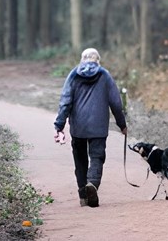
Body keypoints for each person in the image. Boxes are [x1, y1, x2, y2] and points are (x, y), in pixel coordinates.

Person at [53, 48, 127, 208]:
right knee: (97, 157)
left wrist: (59, 124)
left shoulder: (73, 75)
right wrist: (122, 124)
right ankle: (92, 184)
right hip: (99, 126)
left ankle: (83, 196)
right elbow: (115, 102)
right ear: (97, 60)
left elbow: (65, 101)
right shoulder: (105, 75)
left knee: (80, 160)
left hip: (78, 126)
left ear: (82, 59)